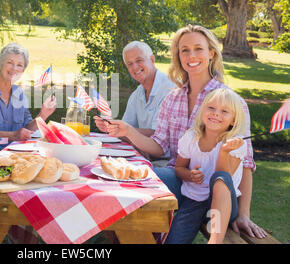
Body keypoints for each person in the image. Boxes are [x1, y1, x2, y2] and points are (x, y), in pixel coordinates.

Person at [105, 24, 267, 239]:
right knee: (137, 181)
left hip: (220, 196)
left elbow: (246, 163)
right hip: (183, 184)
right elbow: (159, 146)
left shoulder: (230, 101)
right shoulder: (172, 98)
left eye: (198, 49)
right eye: (184, 50)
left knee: (151, 193)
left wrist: (244, 214)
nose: (191, 55)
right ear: (178, 56)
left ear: (211, 53)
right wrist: (128, 131)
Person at [165, 88, 248, 244]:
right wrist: (189, 175)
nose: (216, 113)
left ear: (233, 121)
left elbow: (223, 180)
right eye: (211, 108)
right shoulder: (191, 137)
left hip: (225, 207)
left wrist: (224, 152)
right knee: (173, 240)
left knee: (220, 177)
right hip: (194, 201)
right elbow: (179, 169)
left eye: (224, 111)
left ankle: (215, 241)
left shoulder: (236, 143)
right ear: (202, 111)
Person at [0, 42, 56, 158]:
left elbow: (26, 129)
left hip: (15, 156)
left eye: (19, 65)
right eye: (10, 62)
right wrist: (13, 136)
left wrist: (42, 115)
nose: (14, 68)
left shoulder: (19, 93)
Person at [94, 41, 175, 146]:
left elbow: (157, 134)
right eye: (130, 64)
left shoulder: (170, 89)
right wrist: (110, 127)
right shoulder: (137, 94)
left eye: (139, 60)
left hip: (165, 160)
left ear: (152, 59)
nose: (135, 67)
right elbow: (126, 130)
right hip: (146, 154)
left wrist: (120, 129)